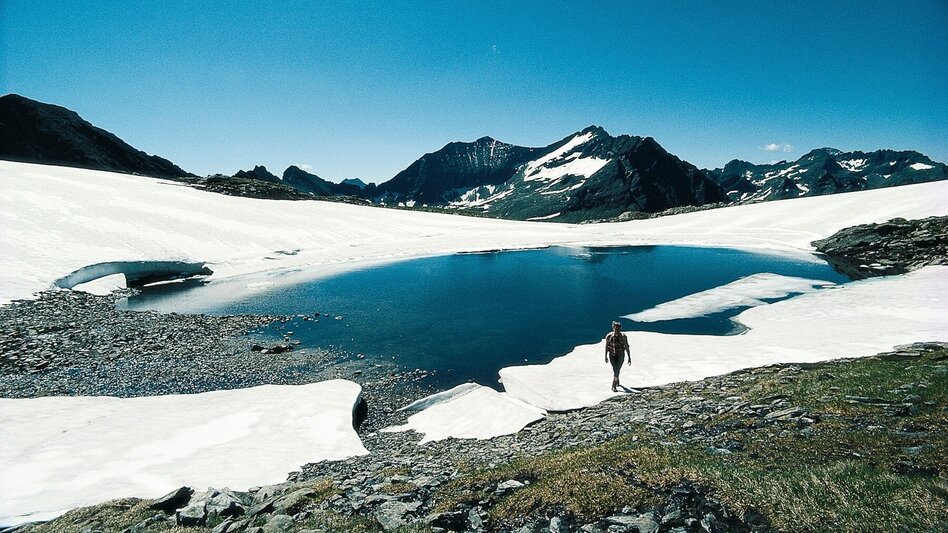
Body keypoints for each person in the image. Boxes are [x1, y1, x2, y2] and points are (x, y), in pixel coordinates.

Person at [604, 320, 631, 392]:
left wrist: (629, 357)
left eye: (618, 329)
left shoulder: (623, 336)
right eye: (616, 329)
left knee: (617, 369)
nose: (617, 331)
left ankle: (613, 385)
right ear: (613, 328)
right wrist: (605, 356)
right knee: (615, 369)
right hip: (612, 355)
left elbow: (627, 347)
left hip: (620, 355)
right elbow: (607, 346)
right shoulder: (609, 336)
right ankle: (617, 379)